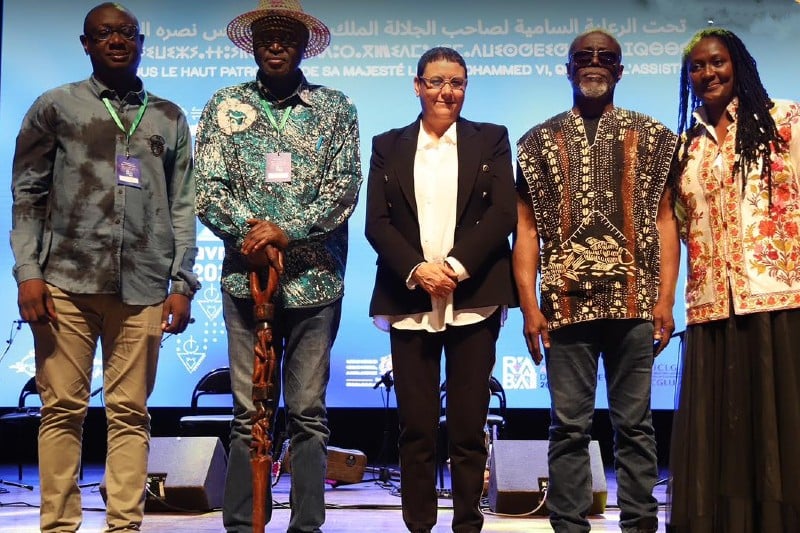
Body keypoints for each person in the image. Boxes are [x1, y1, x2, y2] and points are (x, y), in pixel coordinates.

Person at [9, 3, 198, 531]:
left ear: (141, 42)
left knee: (131, 413)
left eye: (127, 33)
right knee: (61, 410)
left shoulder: (168, 117)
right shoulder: (55, 107)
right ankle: (58, 526)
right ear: (86, 43)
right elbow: (27, 195)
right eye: (105, 33)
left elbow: (183, 207)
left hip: (144, 286)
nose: (117, 41)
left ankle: (124, 526)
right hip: (63, 283)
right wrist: (28, 272)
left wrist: (182, 283)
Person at [193, 1, 362, 531]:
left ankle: (306, 525)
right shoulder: (225, 105)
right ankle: (244, 524)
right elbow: (207, 188)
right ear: (252, 44)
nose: (275, 44)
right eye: (265, 35)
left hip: (315, 283)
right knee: (248, 412)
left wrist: (287, 230)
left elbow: (343, 188)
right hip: (247, 282)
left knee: (308, 412)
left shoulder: (335, 108)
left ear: (303, 45)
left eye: (286, 36)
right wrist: (253, 235)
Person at [513, 29, 679, 533]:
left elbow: (666, 221)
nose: (594, 63)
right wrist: (529, 306)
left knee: (635, 426)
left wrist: (665, 299)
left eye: (605, 57)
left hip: (634, 302)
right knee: (568, 427)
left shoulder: (654, 136)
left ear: (620, 70)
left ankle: (640, 524)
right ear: (567, 68)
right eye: (583, 56)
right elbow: (526, 229)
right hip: (564, 306)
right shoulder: (536, 142)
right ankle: (568, 525)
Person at [365, 46, 518, 533]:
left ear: (465, 88)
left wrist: (453, 266)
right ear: (417, 86)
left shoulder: (491, 139)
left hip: (474, 298)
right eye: (435, 81)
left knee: (469, 427)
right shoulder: (387, 145)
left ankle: (467, 523)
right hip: (409, 298)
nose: (445, 91)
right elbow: (377, 223)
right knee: (417, 427)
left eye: (456, 82)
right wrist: (418, 269)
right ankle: (419, 526)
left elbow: (502, 214)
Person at [667, 28, 800, 533]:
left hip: (779, 300)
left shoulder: (785, 120)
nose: (708, 73)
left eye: (717, 62)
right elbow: (678, 227)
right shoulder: (686, 148)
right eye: (697, 67)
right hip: (712, 309)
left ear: (737, 64)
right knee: (724, 434)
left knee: (780, 427)